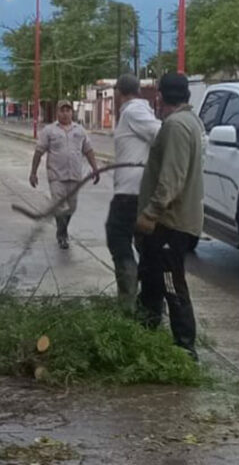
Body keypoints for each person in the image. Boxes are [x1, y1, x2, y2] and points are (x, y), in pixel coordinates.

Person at [135, 72, 204, 361]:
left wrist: (151, 213)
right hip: (170, 222)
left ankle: (185, 347)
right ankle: (143, 333)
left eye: (158, 95)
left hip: (169, 223)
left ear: (161, 96)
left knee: (171, 282)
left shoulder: (176, 126)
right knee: (151, 279)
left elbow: (171, 179)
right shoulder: (190, 122)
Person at [106, 74, 161, 312]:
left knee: (117, 237)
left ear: (119, 93)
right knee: (143, 246)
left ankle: (128, 301)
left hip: (130, 193)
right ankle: (149, 303)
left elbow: (162, 134)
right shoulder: (138, 111)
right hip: (137, 191)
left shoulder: (132, 112)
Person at [29, 100, 100, 249]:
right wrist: (33, 172)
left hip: (74, 176)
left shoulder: (79, 130)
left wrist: (95, 168)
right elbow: (39, 152)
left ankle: (63, 229)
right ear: (57, 112)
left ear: (72, 112)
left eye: (68, 110)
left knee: (71, 207)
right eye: (62, 110)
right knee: (59, 206)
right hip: (56, 176)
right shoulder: (49, 131)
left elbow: (88, 150)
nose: (65, 113)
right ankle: (62, 235)